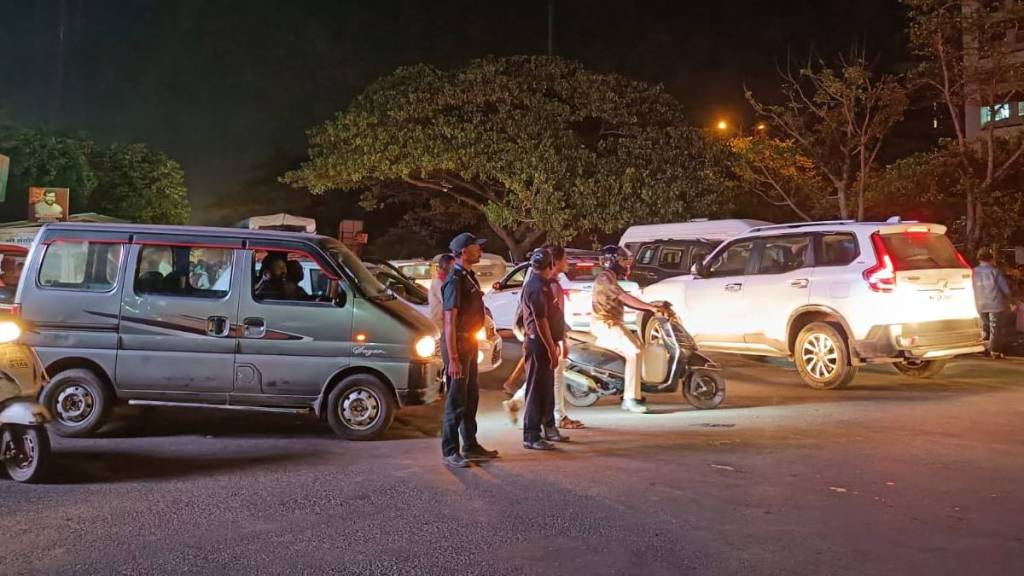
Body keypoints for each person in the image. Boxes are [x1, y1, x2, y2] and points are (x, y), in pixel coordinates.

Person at [503, 245, 585, 430]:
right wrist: (557, 343)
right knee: (552, 374)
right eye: (564, 259)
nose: (567, 262)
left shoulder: (546, 281)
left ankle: (518, 404)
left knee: (542, 376)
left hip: (536, 334)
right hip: (539, 336)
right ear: (553, 263)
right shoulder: (544, 285)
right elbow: (546, 318)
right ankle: (556, 417)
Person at [440, 232, 499, 468]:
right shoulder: (455, 280)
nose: (480, 251)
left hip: (469, 343)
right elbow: (449, 322)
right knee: (456, 398)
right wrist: (453, 358)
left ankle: (470, 445)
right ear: (464, 252)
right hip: (458, 345)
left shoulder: (468, 275)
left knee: (471, 395)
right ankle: (450, 450)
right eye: (476, 247)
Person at [591, 245, 666, 413]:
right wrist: (650, 308)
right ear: (612, 261)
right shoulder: (605, 278)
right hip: (606, 324)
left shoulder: (611, 277)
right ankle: (630, 399)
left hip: (614, 323)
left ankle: (634, 390)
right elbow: (624, 297)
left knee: (639, 347)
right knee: (634, 352)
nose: (626, 264)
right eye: (623, 260)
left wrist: (652, 306)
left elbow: (625, 299)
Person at [519, 248, 569, 450]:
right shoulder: (537, 287)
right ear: (550, 266)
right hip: (538, 344)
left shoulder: (544, 284)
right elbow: (540, 321)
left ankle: (548, 427)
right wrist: (550, 348)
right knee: (535, 390)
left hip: (545, 343)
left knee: (546, 389)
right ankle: (531, 435)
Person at [973, 248, 1016, 359]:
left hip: (979, 304)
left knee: (984, 327)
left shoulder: (974, 271)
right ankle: (994, 351)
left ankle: (983, 349)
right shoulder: (994, 271)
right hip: (994, 304)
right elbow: (1004, 288)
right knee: (995, 328)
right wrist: (1011, 301)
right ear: (991, 259)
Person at [429, 254, 456, 329]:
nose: (454, 268)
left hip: (444, 321)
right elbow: (448, 302)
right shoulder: (438, 283)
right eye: (452, 265)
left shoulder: (446, 281)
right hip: (439, 322)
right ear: (444, 265)